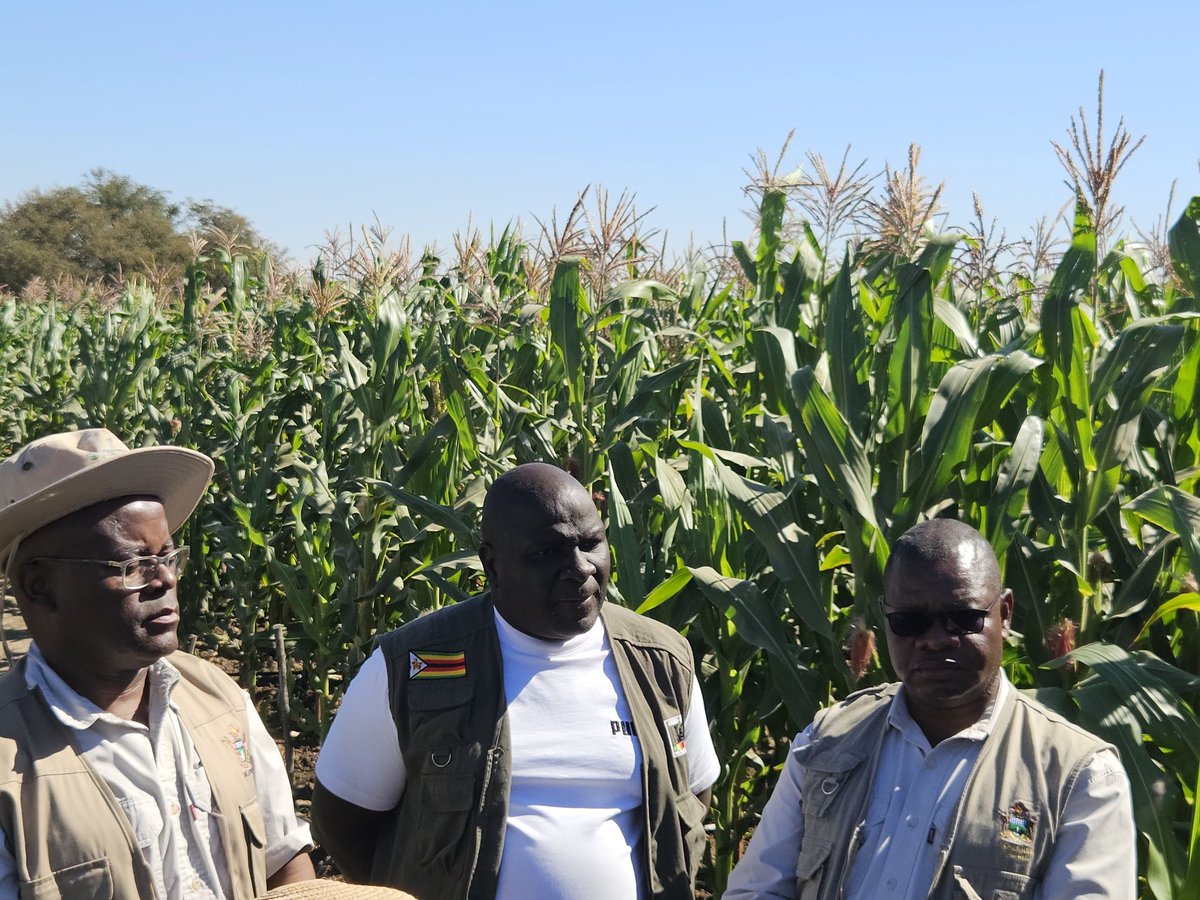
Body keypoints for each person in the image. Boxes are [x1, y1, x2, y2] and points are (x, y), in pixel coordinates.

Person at [313, 462, 720, 900]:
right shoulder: (414, 665)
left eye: (591, 544)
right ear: (492, 564)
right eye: (547, 553)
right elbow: (342, 821)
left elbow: (691, 797)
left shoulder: (660, 659)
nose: (580, 568)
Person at [724, 518, 1136, 900]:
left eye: (962, 618)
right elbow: (758, 889)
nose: (935, 640)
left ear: (1005, 614)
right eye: (909, 621)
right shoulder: (827, 740)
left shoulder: (1080, 777)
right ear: (886, 620)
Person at [0, 428, 316, 899]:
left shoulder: (218, 698)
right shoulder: (10, 760)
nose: (165, 578)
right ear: (39, 586)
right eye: (133, 565)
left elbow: (282, 859)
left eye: (168, 556)